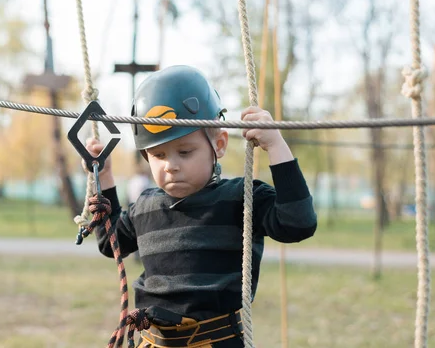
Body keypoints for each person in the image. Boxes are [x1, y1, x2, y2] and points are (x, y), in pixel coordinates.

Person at [84, 65, 317, 348]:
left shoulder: (240, 198)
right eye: (158, 154)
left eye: (185, 151)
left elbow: (298, 223)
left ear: (218, 145)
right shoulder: (145, 206)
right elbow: (111, 245)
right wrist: (104, 177)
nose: (171, 165)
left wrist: (276, 145)